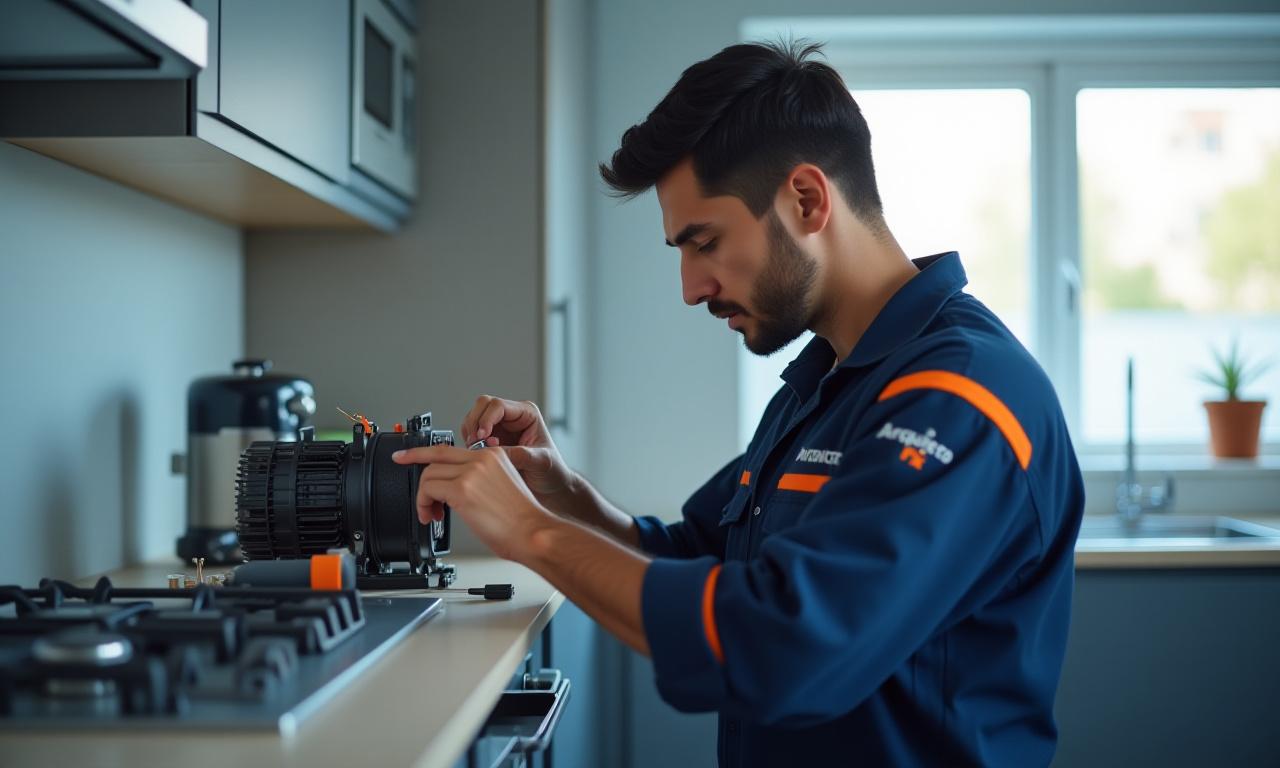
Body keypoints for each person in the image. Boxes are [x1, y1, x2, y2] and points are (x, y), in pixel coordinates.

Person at [393, 40, 1084, 767]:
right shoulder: (828, 383)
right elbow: (698, 557)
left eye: (706, 243)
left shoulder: (962, 400)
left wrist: (530, 533)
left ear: (807, 200)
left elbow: (782, 646)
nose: (691, 287)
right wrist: (565, 498)